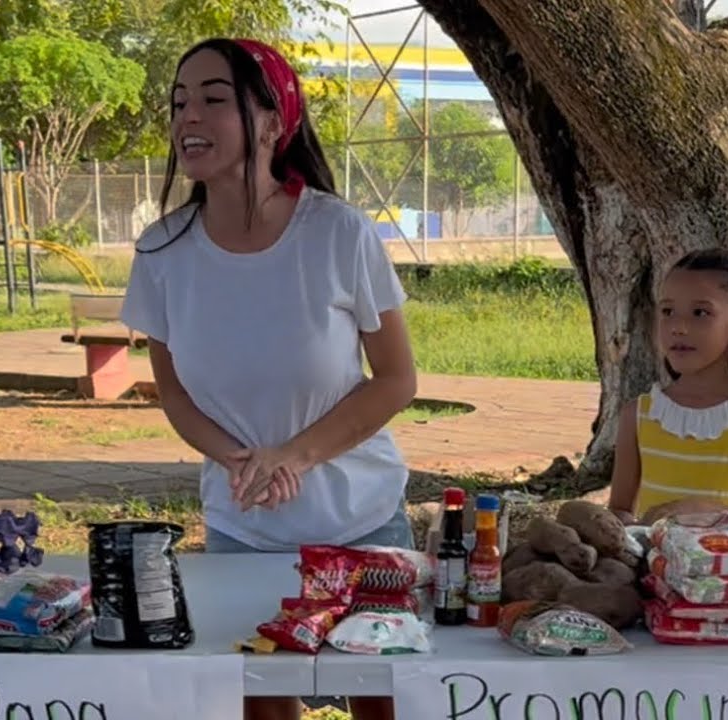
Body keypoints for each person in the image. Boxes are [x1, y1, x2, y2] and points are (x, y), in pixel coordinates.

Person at [120, 37, 415, 720]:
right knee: (262, 699)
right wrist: (239, 460)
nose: (189, 117)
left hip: (363, 519)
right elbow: (175, 392)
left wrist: (296, 455)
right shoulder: (162, 251)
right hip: (242, 527)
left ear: (272, 121)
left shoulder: (338, 233)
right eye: (179, 102)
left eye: (214, 99)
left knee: (380, 700)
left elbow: (396, 378)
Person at [606, 248, 728, 540]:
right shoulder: (638, 414)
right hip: (654, 576)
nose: (679, 328)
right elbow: (619, 510)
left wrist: (705, 512)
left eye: (700, 313)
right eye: (668, 311)